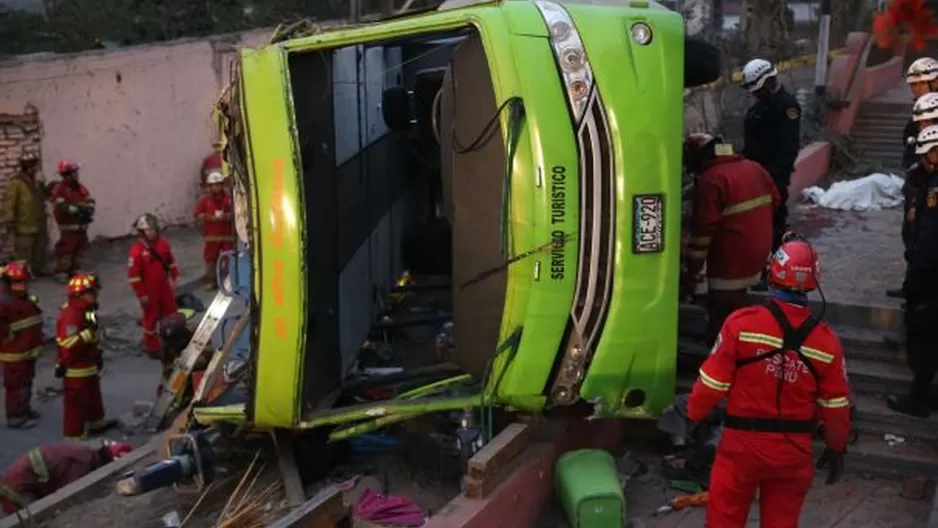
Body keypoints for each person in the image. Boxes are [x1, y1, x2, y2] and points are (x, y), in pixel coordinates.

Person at [687, 236, 852, 527]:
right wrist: (836, 447)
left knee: (723, 519)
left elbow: (711, 385)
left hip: (740, 450)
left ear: (773, 273)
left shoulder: (741, 324)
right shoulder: (827, 343)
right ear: (814, 282)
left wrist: (693, 417)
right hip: (792, 454)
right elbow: (836, 407)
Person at [682, 133, 780, 342]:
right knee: (739, 297)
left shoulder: (711, 179)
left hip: (731, 255)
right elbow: (776, 200)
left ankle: (725, 345)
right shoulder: (754, 167)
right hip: (759, 249)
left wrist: (692, 269)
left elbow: (703, 232)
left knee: (723, 303)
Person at [887, 124, 938, 418]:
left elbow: (930, 237)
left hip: (929, 277)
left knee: (922, 337)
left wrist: (916, 270)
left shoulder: (935, 188)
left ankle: (917, 399)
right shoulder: (928, 180)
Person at [740, 58, 802, 261]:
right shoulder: (760, 106)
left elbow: (788, 147)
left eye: (756, 88)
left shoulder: (786, 106)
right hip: (754, 175)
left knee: (774, 225)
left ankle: (777, 268)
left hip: (773, 178)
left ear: (768, 81)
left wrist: (775, 178)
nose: (754, 94)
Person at [889, 59, 938, 299]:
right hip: (916, 183)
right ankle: (912, 286)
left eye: (921, 83)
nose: (916, 89)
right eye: (913, 85)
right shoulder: (918, 115)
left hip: (929, 190)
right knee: (912, 236)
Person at [55, 272, 116, 440]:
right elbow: (67, 342)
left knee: (93, 396)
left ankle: (96, 423)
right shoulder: (71, 314)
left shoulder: (85, 309)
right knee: (76, 403)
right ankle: (74, 435)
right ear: (80, 294)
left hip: (88, 362)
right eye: (92, 293)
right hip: (76, 367)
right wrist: (88, 335)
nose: (95, 296)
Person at [0, 440, 132, 515]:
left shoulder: (83, 452)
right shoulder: (80, 465)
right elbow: (69, 498)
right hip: (17, 488)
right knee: (34, 519)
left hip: (19, 479)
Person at [127, 213, 179, 357]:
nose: (151, 232)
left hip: (164, 286)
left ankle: (171, 339)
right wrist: (141, 294)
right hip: (148, 291)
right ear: (141, 232)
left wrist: (175, 275)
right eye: (147, 230)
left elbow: (170, 261)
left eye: (153, 229)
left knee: (170, 312)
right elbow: (133, 276)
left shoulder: (163, 243)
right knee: (150, 318)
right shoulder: (136, 251)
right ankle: (151, 346)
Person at [0, 261, 43, 429]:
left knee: (26, 382)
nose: (24, 285)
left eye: (25, 282)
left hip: (27, 350)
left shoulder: (22, 298)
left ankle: (24, 409)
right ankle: (15, 416)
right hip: (14, 353)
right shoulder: (5, 302)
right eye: (20, 282)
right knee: (15, 386)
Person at [0, 152, 50, 273]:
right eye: (33, 165)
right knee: (24, 250)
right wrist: (7, 220)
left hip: (38, 221)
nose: (35, 168)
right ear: (27, 166)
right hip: (24, 223)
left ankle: (38, 269)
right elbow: (9, 202)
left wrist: (42, 185)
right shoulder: (16, 182)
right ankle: (23, 273)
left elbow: (45, 196)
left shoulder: (37, 181)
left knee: (40, 247)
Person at [49, 159, 95, 284]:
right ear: (67, 174)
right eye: (74, 172)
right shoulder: (60, 189)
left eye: (76, 172)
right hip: (69, 227)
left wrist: (89, 207)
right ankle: (61, 272)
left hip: (82, 226)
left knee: (81, 249)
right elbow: (59, 205)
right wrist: (76, 209)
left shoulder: (80, 188)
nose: (77, 174)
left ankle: (75, 270)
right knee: (66, 251)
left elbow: (89, 198)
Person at [194, 171, 234, 290]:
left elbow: (237, 213)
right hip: (211, 236)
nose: (216, 187)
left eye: (218, 184)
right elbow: (197, 215)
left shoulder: (229, 199)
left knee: (229, 259)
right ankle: (211, 281)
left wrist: (227, 216)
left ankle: (228, 282)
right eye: (213, 185)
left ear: (222, 185)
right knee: (210, 260)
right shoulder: (204, 201)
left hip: (227, 235)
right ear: (210, 187)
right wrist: (209, 217)